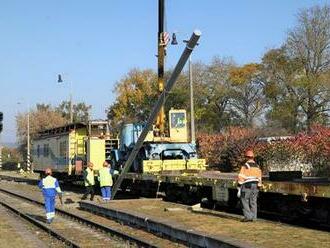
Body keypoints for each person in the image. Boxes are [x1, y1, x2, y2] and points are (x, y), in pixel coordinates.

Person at [237, 150, 262, 222]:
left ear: (246, 157)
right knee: (253, 201)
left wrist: (239, 186)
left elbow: (241, 176)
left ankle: (248, 216)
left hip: (247, 185)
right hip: (256, 185)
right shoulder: (257, 166)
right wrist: (259, 185)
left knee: (244, 200)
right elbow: (259, 177)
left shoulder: (245, 166)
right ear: (253, 157)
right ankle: (254, 218)